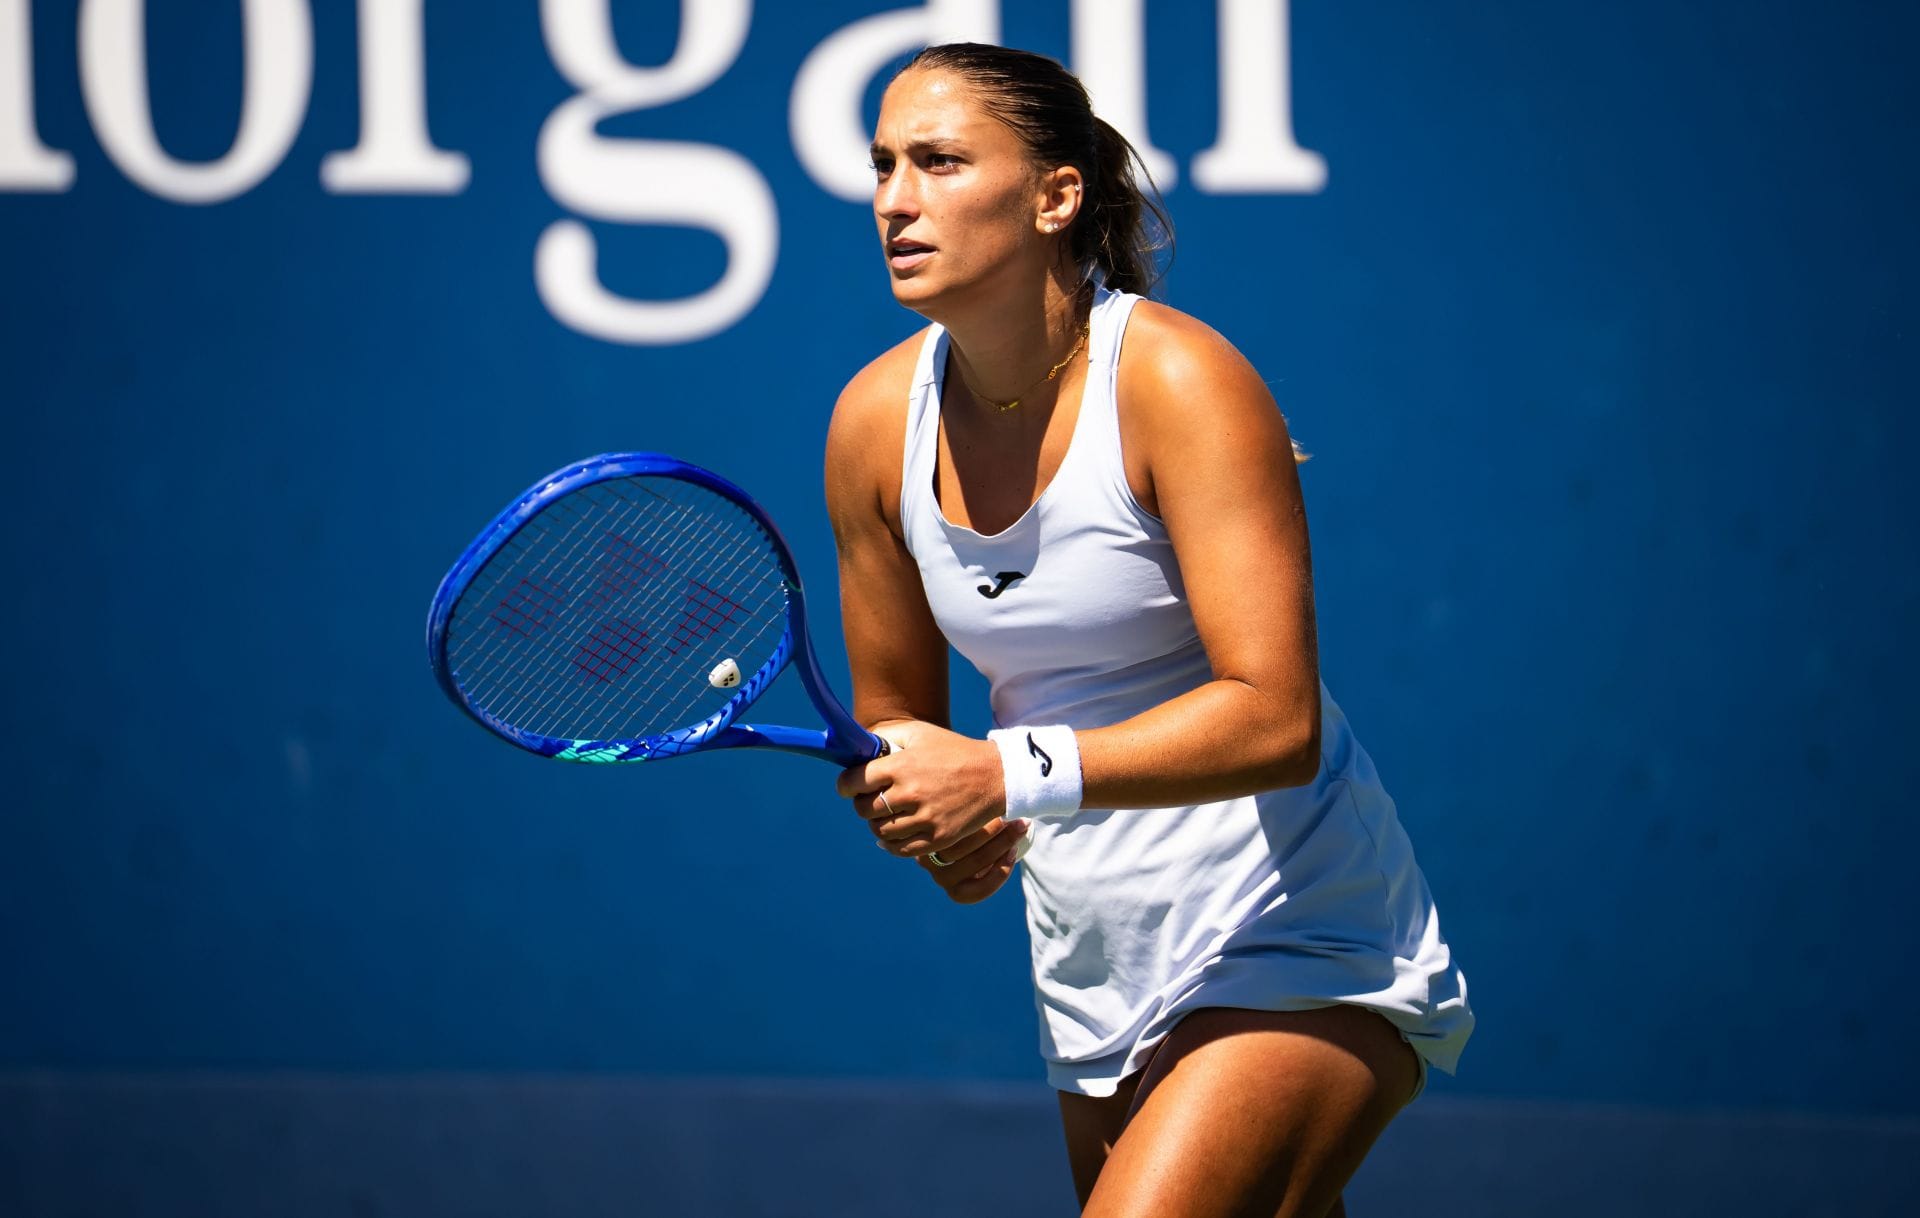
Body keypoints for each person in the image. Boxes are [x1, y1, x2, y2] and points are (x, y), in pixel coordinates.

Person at [825, 43, 1472, 1218]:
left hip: (1296, 935)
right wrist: (938, 827)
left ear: (1055, 195)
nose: (894, 200)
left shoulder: (1180, 380)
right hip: (1093, 966)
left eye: (939, 161)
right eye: (881, 166)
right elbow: (897, 719)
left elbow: (1274, 718)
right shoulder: (873, 425)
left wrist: (1004, 774)